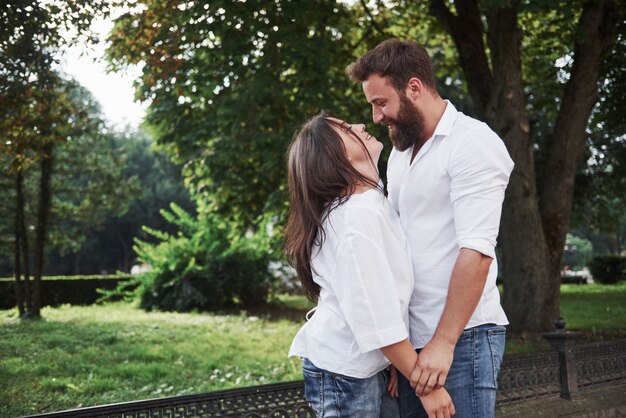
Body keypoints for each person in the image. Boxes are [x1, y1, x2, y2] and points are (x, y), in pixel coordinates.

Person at [347, 39, 514, 418]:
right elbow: (396, 247)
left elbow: (477, 252)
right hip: (413, 343)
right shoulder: (401, 153)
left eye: (380, 102)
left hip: (462, 339)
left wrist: (443, 342)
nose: (376, 117)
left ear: (414, 88)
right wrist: (399, 346)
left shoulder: (473, 144)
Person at [285, 111, 455, 418]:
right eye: (347, 131)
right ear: (333, 156)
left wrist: (389, 359)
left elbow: (382, 296)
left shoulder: (371, 203)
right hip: (345, 374)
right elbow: (375, 315)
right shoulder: (356, 217)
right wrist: (427, 389)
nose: (361, 126)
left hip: (365, 366)